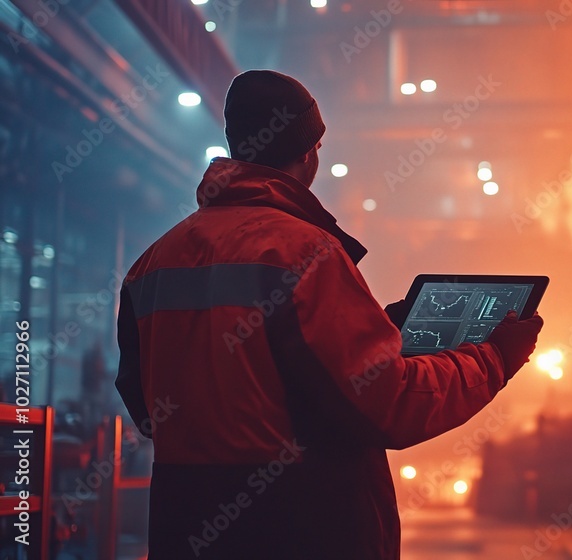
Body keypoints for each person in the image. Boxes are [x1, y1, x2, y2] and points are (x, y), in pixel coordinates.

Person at [115, 70, 543, 560]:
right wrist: (493, 358)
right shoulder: (303, 253)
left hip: (184, 529)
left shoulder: (151, 263)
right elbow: (389, 405)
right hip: (300, 528)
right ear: (309, 150)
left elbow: (149, 406)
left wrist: (374, 326)